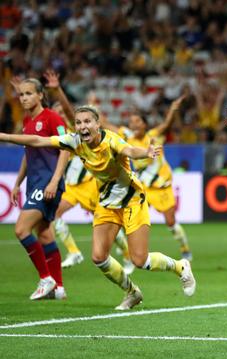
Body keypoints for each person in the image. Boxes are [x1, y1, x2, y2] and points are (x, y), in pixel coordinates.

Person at [0, 105, 196, 310]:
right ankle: (132, 292)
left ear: (97, 124)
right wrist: (4, 136)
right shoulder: (74, 141)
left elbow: (129, 150)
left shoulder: (110, 140)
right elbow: (37, 141)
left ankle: (180, 266)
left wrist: (144, 153)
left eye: (87, 122)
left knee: (139, 259)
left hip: (132, 200)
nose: (82, 126)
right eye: (78, 122)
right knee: (98, 257)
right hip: (107, 204)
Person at [40, 70, 133, 272]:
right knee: (54, 214)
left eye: (63, 112)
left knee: (106, 222)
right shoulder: (63, 134)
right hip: (72, 186)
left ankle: (127, 255)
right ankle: (74, 251)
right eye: (58, 112)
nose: (61, 114)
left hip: (89, 184)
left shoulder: (77, 131)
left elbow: (67, 107)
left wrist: (57, 91)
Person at [101, 95, 192, 261]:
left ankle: (185, 248)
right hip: (142, 186)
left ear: (144, 124)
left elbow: (166, 125)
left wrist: (172, 109)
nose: (133, 124)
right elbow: (106, 125)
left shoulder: (153, 135)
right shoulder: (126, 135)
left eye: (137, 121)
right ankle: (127, 251)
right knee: (125, 215)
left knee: (170, 222)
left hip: (161, 185)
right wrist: (93, 107)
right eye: (131, 121)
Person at [10, 78, 69, 300]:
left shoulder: (53, 118)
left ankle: (46, 278)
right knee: (43, 234)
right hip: (34, 182)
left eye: (28, 93)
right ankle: (59, 289)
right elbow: (28, 154)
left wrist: (55, 181)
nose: (24, 98)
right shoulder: (27, 121)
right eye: (21, 94)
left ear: (40, 95)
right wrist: (17, 183)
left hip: (47, 182)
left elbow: (66, 149)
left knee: (21, 229)